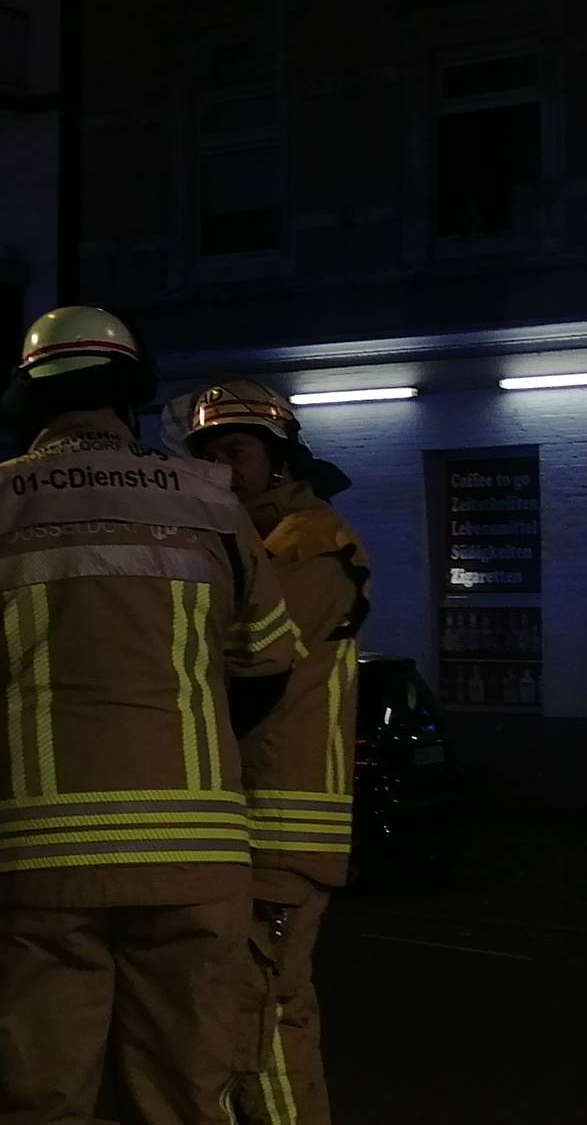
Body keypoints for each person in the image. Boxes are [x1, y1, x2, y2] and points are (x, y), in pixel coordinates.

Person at [0, 308, 305, 1125]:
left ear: (26, 403)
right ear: (131, 396)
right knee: (186, 1099)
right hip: (193, 860)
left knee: (39, 1100)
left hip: (29, 864)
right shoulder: (215, 506)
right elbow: (267, 666)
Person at [182, 378, 372, 1125]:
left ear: (282, 459)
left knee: (266, 1012)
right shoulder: (257, 543)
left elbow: (238, 662)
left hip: (281, 820)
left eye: (236, 450)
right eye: (209, 455)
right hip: (255, 817)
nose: (222, 468)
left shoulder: (307, 544)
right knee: (254, 1008)